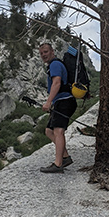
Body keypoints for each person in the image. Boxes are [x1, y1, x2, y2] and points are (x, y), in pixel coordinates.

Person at [38, 42, 77, 173]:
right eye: (41, 53)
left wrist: (48, 102)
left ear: (52, 52)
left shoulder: (54, 64)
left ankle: (58, 164)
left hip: (64, 101)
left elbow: (56, 82)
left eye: (46, 52)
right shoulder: (53, 65)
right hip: (60, 102)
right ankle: (65, 157)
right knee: (49, 131)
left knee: (58, 131)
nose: (43, 55)